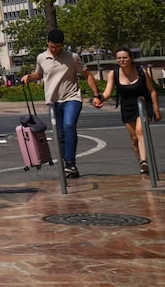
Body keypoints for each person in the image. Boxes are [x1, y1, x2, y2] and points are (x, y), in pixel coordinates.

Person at [21, 29, 101, 179]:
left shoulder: (72, 57)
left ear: (62, 45)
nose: (54, 49)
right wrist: (28, 77)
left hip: (72, 98)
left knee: (69, 125)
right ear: (47, 43)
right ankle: (69, 166)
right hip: (53, 101)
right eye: (51, 46)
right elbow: (39, 74)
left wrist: (96, 95)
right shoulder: (41, 58)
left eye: (57, 47)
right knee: (61, 134)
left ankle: (70, 162)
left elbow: (87, 75)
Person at [99, 48, 161, 174]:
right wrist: (99, 98)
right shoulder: (114, 73)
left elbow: (152, 91)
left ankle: (144, 160)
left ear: (131, 58)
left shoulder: (141, 72)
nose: (122, 60)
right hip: (127, 108)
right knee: (134, 139)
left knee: (140, 131)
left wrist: (156, 109)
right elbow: (107, 92)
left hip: (143, 104)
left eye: (125, 57)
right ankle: (142, 163)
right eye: (119, 58)